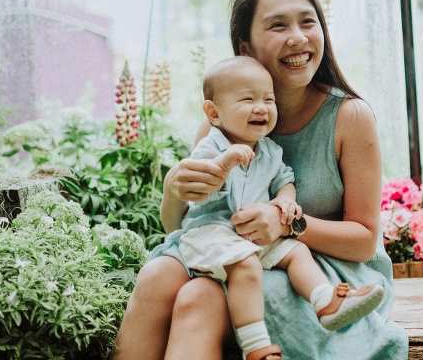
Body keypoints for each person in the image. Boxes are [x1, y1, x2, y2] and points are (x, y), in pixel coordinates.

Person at [113, 0, 409, 360]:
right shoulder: (220, 124)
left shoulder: (350, 117)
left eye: (308, 22)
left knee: (203, 296)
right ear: (246, 48)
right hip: (231, 252)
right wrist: (174, 189)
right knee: (158, 276)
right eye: (278, 25)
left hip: (320, 273)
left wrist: (286, 223)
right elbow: (179, 227)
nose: (298, 37)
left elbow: (364, 240)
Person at [149, 55, 386, 360]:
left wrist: (285, 203)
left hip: (258, 239)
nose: (261, 107)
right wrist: (225, 161)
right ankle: (257, 347)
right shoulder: (213, 142)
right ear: (214, 113)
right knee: (198, 273)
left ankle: (326, 300)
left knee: (295, 253)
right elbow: (200, 193)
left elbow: (285, 179)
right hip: (216, 235)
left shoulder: (270, 149)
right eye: (248, 100)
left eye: (268, 100)